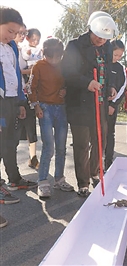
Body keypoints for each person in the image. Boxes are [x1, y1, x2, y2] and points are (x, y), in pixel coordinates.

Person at [61, 11, 118, 197]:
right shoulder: (74, 46)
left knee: (100, 140)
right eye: (99, 36)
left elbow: (108, 71)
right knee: (82, 144)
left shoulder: (107, 47)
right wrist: (87, 82)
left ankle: (95, 172)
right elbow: (67, 72)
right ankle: (83, 182)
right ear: (91, 29)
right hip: (80, 103)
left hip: (100, 103)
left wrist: (110, 87)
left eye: (105, 37)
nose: (102, 40)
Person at [28, 37, 74, 198]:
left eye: (57, 57)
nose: (54, 60)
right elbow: (30, 88)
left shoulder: (63, 66)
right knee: (49, 147)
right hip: (45, 108)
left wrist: (65, 90)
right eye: (50, 57)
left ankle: (59, 178)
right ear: (44, 53)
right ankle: (42, 182)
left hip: (61, 108)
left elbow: (69, 82)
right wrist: (36, 106)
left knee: (62, 147)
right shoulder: (38, 66)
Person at [0, 6, 38, 192]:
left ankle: (13, 179)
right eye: (9, 31)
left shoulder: (12, 46)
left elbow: (15, 74)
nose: (12, 35)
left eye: (16, 32)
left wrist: (21, 102)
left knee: (11, 141)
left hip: (12, 100)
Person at [14, 26, 40, 170]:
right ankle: (11, 168)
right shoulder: (7, 50)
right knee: (14, 133)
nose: (22, 36)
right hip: (12, 98)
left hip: (27, 95)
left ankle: (33, 158)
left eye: (24, 33)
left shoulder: (25, 51)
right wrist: (30, 70)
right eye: (20, 33)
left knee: (31, 129)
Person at [104, 39, 126, 170]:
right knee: (96, 134)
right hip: (98, 105)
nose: (117, 58)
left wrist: (113, 104)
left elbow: (123, 87)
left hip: (112, 107)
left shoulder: (120, 68)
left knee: (109, 134)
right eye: (115, 55)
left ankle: (108, 163)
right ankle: (95, 165)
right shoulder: (101, 64)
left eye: (120, 56)